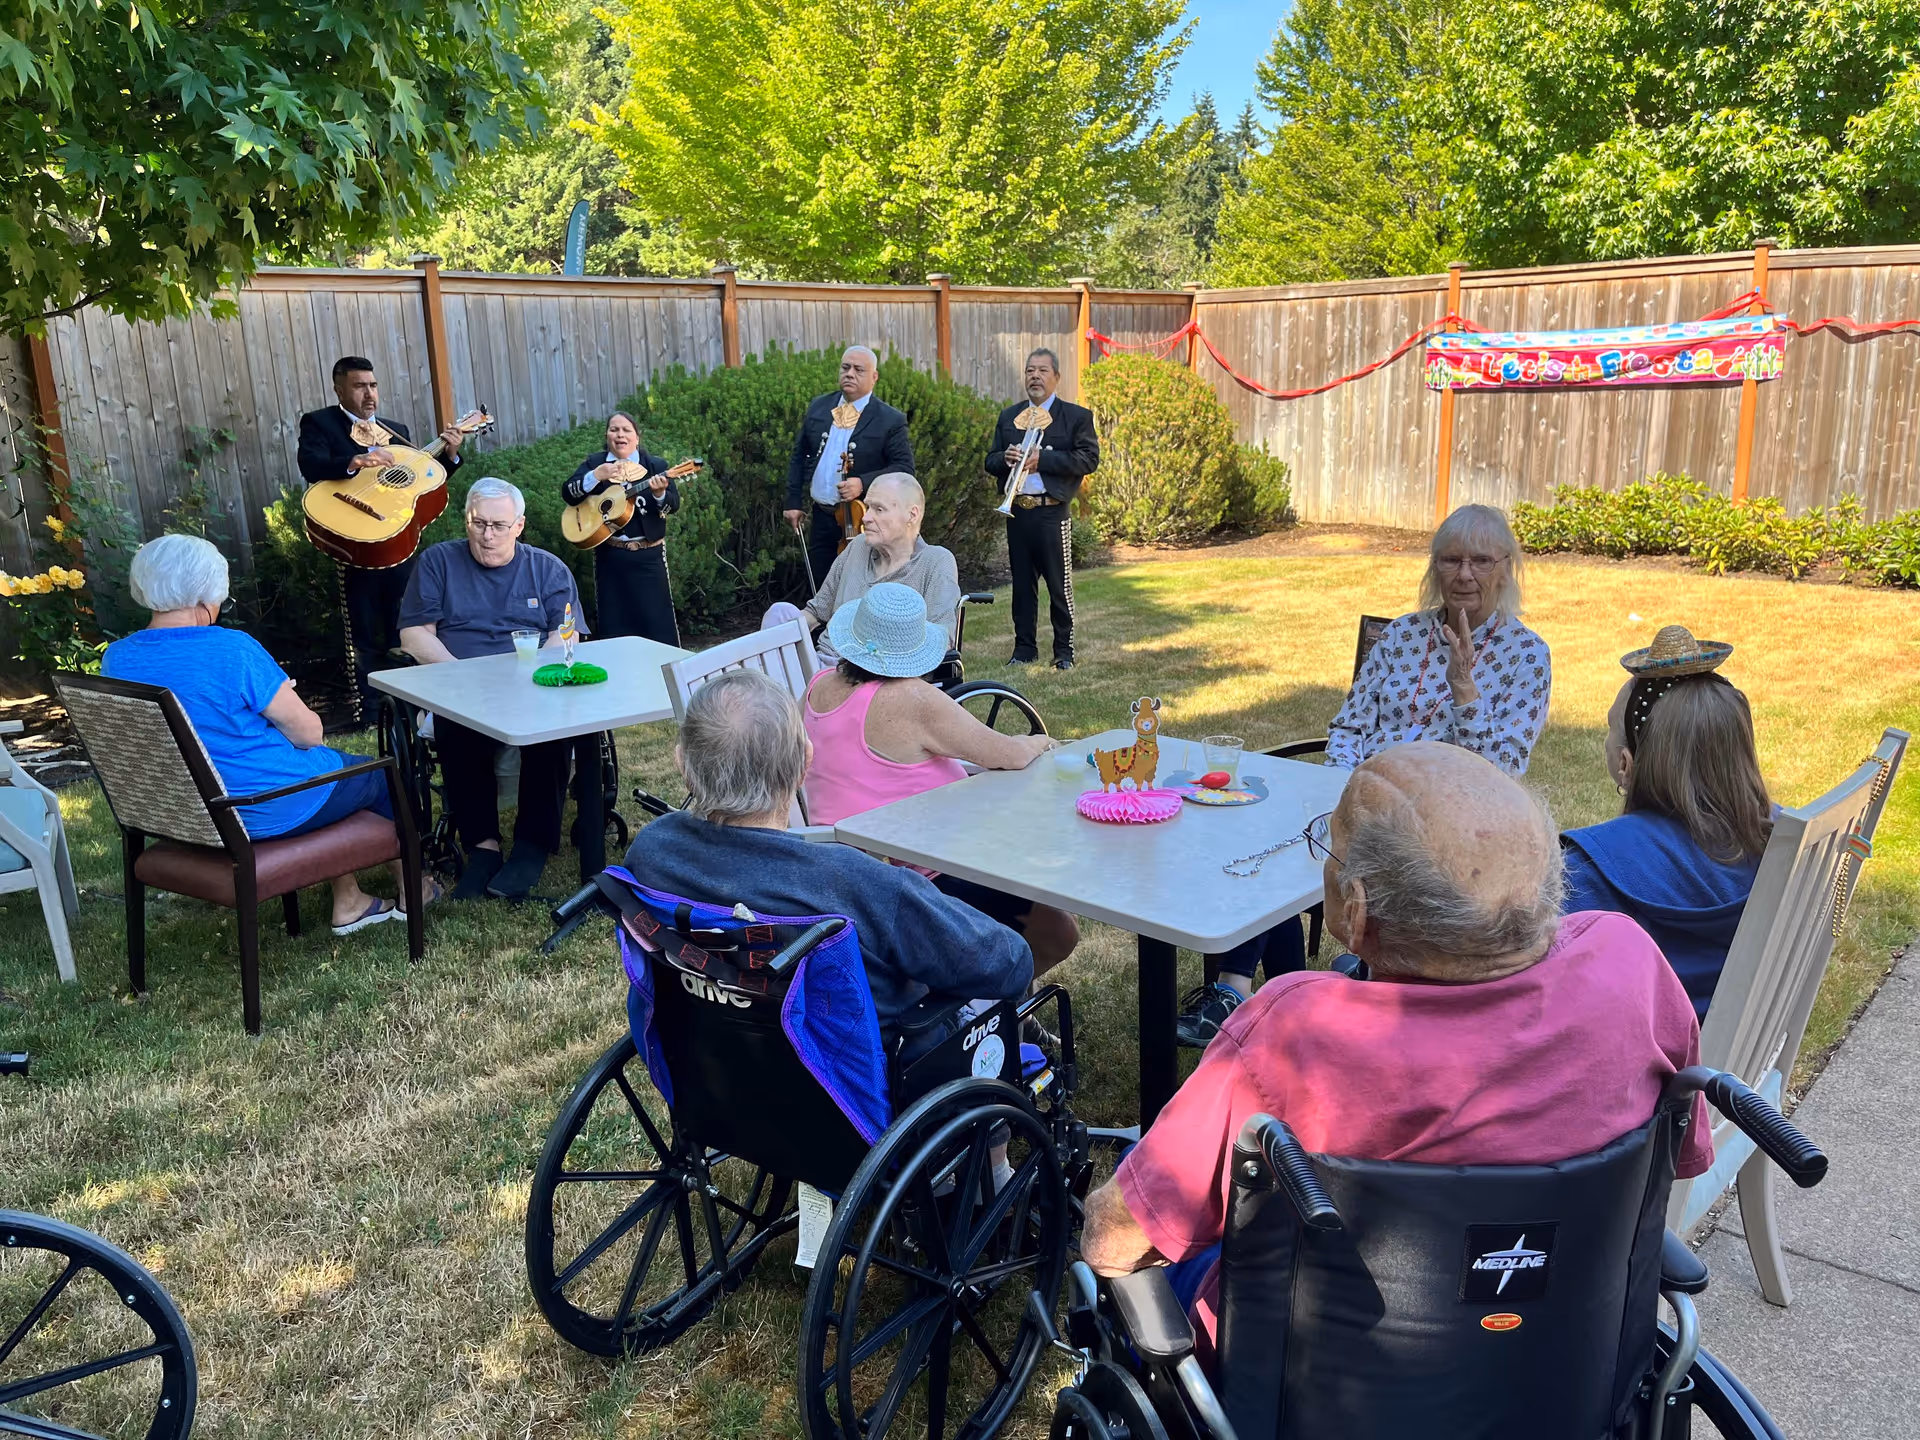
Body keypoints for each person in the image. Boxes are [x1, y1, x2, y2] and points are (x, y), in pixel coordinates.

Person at [1079, 742, 1712, 1372]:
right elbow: (1678, 1161)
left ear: (1355, 913)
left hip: (1309, 1381)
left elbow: (1115, 1243)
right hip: (1559, 1363)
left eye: (1328, 848)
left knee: (1146, 1195)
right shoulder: (1631, 965)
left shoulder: (1294, 1032)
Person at [627, 667, 1032, 1047]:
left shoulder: (651, 853)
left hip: (718, 1074)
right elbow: (1008, 963)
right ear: (805, 761)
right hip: (862, 1089)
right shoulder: (856, 881)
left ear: (682, 764)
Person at [101, 534, 437, 933]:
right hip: (262, 807)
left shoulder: (118, 658)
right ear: (207, 596)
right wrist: (283, 701)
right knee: (381, 774)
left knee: (322, 775)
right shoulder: (232, 649)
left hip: (184, 813)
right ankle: (414, 887)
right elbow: (309, 734)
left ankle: (350, 899)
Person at [801, 583, 1079, 971]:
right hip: (920, 878)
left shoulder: (817, 687)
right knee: (1059, 930)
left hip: (845, 873)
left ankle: (988, 1006)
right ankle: (981, 1010)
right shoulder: (911, 699)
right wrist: (1036, 741)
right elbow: (1008, 755)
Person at [1563, 625, 1772, 1018]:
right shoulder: (1778, 839)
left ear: (1625, 764)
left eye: (1610, 730)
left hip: (1660, 1070)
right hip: (1732, 1062)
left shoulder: (1589, 870)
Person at [398, 477, 587, 902]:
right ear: (465, 521)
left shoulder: (547, 569)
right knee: (457, 727)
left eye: (499, 525)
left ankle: (531, 846)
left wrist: (539, 674)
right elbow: (414, 635)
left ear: (519, 525)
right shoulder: (438, 563)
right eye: (478, 523)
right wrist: (461, 677)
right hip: (460, 682)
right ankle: (482, 847)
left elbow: (568, 635)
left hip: (531, 685)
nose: (488, 535)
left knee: (553, 729)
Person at [298, 355, 466, 723]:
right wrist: (355, 461)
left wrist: (450, 456)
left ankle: (412, 708)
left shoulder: (396, 429)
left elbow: (417, 486)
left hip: (398, 540)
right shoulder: (320, 423)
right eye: (360, 386)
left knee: (406, 626)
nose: (369, 393)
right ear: (339, 388)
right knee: (364, 629)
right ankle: (371, 711)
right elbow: (310, 465)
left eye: (373, 385)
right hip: (357, 540)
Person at [1327, 502, 1552, 777]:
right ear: (1436, 567)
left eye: (1482, 561)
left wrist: (1464, 688)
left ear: (1505, 571)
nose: (1464, 575)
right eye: (1452, 560)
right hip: (1368, 792)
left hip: (1452, 807)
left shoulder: (1527, 655)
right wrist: (1342, 784)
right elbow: (1349, 728)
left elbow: (1504, 771)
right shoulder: (1402, 634)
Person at [764, 473, 960, 663]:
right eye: (868, 508)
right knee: (780, 613)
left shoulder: (935, 561)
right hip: (824, 662)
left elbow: (942, 639)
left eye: (879, 509)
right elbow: (817, 611)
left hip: (875, 676)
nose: (866, 518)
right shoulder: (859, 546)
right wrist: (779, 635)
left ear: (912, 514)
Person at [983, 348, 1099, 670]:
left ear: (1056, 377)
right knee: (1022, 586)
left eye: (1042, 371)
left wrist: (1043, 460)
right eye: (1030, 371)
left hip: (1051, 513)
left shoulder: (1075, 417)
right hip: (1018, 512)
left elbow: (1089, 459)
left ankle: (1064, 652)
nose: (1035, 376)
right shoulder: (1009, 416)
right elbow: (989, 460)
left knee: (1059, 586)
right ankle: (1024, 650)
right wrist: (1004, 459)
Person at [782, 345, 916, 589]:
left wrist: (862, 483)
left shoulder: (890, 419)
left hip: (864, 520)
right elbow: (800, 455)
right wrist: (793, 501)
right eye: (845, 368)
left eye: (858, 370)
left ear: (874, 377)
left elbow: (904, 468)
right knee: (820, 589)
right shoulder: (819, 407)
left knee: (860, 589)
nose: (850, 374)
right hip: (822, 515)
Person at [559, 411, 684, 646]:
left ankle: (663, 676)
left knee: (657, 623)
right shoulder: (594, 463)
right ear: (607, 435)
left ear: (637, 437)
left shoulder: (655, 465)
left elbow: (672, 505)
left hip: (649, 556)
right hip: (610, 555)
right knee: (613, 623)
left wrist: (659, 494)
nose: (620, 435)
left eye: (626, 430)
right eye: (614, 429)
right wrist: (596, 476)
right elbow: (569, 493)